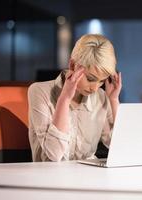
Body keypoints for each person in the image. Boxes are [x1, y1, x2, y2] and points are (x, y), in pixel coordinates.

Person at [28, 34, 122, 162]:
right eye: (90, 79)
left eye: (101, 81)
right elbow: (53, 155)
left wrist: (114, 100)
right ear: (72, 65)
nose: (94, 88)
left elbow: (118, 145)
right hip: (50, 178)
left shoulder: (100, 96)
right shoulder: (39, 91)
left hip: (88, 177)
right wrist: (65, 99)